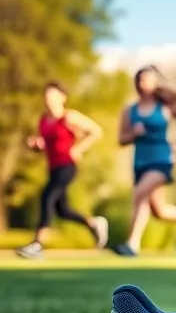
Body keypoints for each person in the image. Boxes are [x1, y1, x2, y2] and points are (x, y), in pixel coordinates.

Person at [113, 66, 176, 257]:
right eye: (139, 80)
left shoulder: (166, 107)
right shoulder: (130, 110)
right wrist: (133, 134)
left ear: (155, 82)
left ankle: (132, 244)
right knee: (159, 211)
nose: (142, 83)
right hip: (140, 162)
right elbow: (121, 139)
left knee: (140, 193)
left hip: (162, 159)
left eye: (146, 79)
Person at [16, 83, 109, 258]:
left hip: (67, 165)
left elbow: (96, 131)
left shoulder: (69, 117)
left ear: (62, 98)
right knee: (62, 210)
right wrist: (37, 145)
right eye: (46, 95)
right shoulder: (43, 120)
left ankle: (37, 245)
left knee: (47, 196)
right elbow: (47, 145)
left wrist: (78, 149)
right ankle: (93, 223)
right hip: (53, 167)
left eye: (53, 95)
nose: (48, 99)